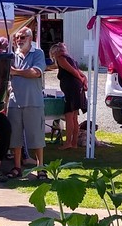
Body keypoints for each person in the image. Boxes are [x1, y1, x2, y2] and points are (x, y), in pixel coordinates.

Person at [7, 28, 47, 180]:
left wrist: (15, 72)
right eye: (17, 38)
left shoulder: (38, 53)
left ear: (30, 38)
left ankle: (40, 167)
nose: (19, 40)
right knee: (15, 137)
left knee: (37, 136)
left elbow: (35, 72)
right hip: (14, 102)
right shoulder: (12, 56)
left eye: (22, 37)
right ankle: (17, 167)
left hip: (33, 101)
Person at [48, 42, 88, 149]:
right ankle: (73, 143)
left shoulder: (61, 59)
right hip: (76, 89)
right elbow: (82, 74)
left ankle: (68, 143)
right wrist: (84, 82)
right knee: (74, 117)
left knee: (69, 117)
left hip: (72, 89)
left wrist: (81, 80)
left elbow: (74, 72)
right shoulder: (71, 59)